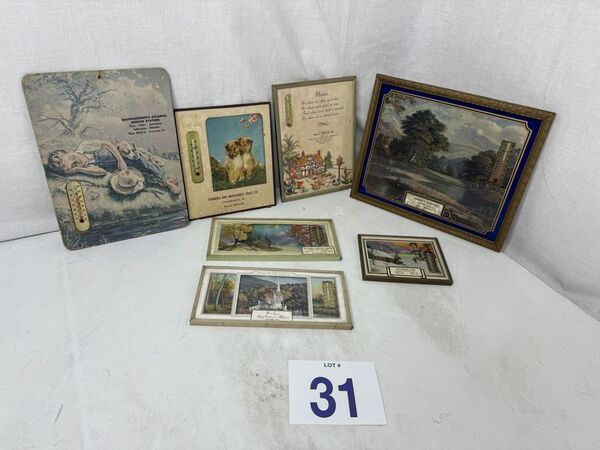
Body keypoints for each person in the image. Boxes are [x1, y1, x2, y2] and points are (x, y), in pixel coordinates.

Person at [46, 140, 181, 195]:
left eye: (72, 157)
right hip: (122, 169)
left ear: (69, 151)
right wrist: (79, 169)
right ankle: (165, 183)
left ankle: (165, 180)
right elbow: (102, 172)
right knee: (140, 177)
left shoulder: (84, 146)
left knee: (144, 163)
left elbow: (107, 144)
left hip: (123, 155)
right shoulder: (87, 165)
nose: (78, 161)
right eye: (74, 165)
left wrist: (120, 160)